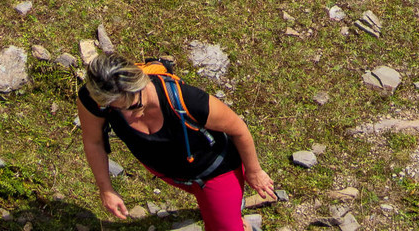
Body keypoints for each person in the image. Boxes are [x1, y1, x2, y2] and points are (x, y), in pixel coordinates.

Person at [77, 52, 276, 227]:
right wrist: (106, 189)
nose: (128, 116)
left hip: (216, 172)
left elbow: (239, 129)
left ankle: (235, 213)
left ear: (141, 83)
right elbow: (93, 141)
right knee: (217, 211)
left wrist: (254, 171)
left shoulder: (187, 100)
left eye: (133, 106)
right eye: (116, 108)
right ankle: (226, 208)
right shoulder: (97, 99)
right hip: (173, 175)